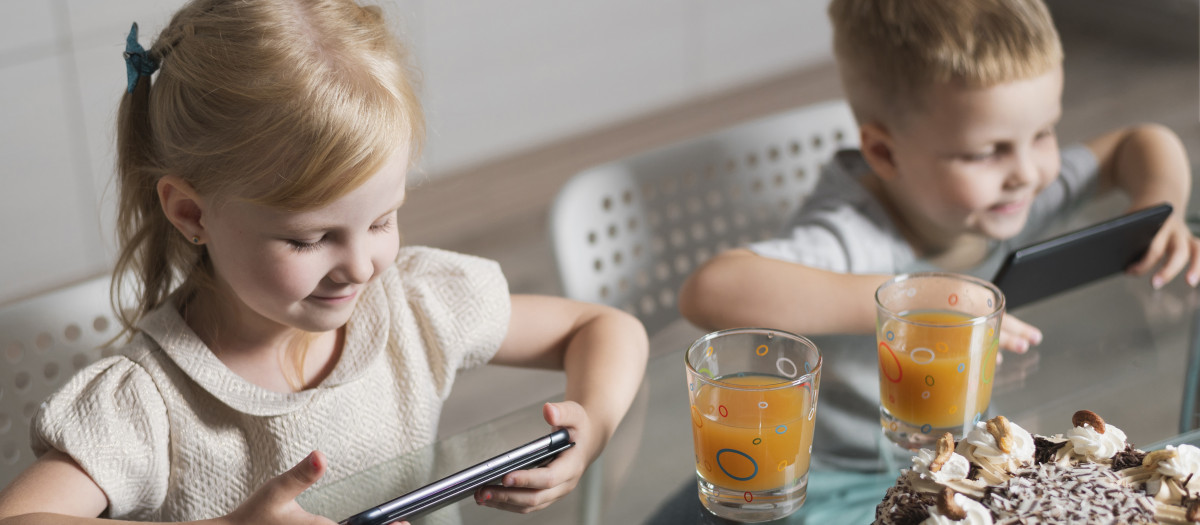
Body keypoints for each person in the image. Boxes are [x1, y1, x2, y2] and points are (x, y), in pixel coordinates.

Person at [0, 1, 648, 523]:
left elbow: (605, 328)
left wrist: (589, 424)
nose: (363, 266)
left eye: (383, 219)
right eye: (310, 240)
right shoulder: (152, 404)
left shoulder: (414, 306)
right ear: (192, 214)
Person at [679, 0, 1197, 471]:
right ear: (884, 154)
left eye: (1043, 133)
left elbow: (1142, 141)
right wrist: (915, 301)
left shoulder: (1008, 195)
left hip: (962, 457)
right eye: (985, 152)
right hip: (840, 475)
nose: (1027, 172)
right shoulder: (851, 237)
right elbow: (711, 289)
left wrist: (1159, 206)